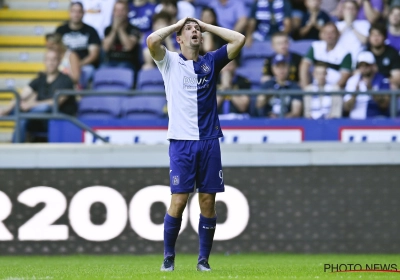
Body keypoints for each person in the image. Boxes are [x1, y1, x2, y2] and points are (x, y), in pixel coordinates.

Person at [146, 17, 245, 271]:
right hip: (181, 142)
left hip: (209, 141)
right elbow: (152, 40)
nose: (194, 31)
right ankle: (168, 258)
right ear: (179, 38)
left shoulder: (211, 61)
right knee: (178, 201)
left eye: (196, 30)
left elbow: (239, 40)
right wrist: (178, 23)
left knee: (208, 202)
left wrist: (205, 25)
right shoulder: (168, 62)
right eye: (189, 29)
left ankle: (203, 261)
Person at [0, 49, 76, 142]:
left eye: (54, 59)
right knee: (18, 110)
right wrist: (6, 109)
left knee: (43, 107)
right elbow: (22, 94)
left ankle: (16, 147)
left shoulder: (66, 80)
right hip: (37, 118)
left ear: (59, 61)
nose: (51, 63)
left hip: (57, 119)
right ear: (44, 61)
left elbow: (55, 102)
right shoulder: (40, 79)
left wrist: (30, 105)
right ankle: (16, 147)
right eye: (48, 59)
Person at [56, 2, 101, 88]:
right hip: (64, 64)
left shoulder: (91, 31)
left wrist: (77, 65)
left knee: (88, 70)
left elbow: (94, 55)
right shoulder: (60, 30)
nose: (76, 14)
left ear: (83, 13)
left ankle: (78, 95)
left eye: (79, 11)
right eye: (73, 11)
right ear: (69, 13)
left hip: (84, 65)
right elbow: (56, 51)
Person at [300, 22, 352, 89]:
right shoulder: (315, 46)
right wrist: (306, 88)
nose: (329, 35)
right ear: (322, 35)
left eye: (332, 32)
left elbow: (345, 76)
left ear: (338, 34)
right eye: (326, 33)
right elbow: (304, 66)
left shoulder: (345, 53)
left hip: (334, 90)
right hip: (315, 88)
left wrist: (332, 91)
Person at [343, 51, 390, 119]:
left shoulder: (383, 80)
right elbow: (346, 108)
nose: (363, 68)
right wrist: (354, 94)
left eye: (366, 65)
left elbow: (384, 105)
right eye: (361, 65)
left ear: (373, 65)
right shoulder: (352, 80)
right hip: (355, 120)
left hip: (376, 120)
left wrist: (371, 90)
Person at [102, 1, 142, 72]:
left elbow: (129, 46)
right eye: (117, 10)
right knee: (102, 69)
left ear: (127, 11)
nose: (119, 13)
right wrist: (114, 30)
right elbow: (106, 48)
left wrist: (120, 29)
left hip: (128, 62)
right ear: (113, 12)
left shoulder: (134, 29)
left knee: (122, 68)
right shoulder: (108, 29)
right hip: (110, 61)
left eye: (122, 10)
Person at [335, 0, 370, 67]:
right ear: (343, 10)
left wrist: (351, 26)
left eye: (353, 8)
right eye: (348, 8)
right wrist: (347, 25)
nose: (350, 11)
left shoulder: (365, 24)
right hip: (338, 59)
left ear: (357, 11)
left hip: (358, 60)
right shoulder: (337, 25)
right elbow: (333, 40)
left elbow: (365, 41)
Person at [367, 22, 400, 89]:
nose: (376, 38)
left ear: (385, 37)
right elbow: (357, 74)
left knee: (394, 86)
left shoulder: (392, 53)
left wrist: (380, 78)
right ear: (369, 37)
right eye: (373, 35)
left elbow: (397, 78)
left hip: (386, 87)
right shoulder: (365, 53)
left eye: (379, 35)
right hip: (367, 85)